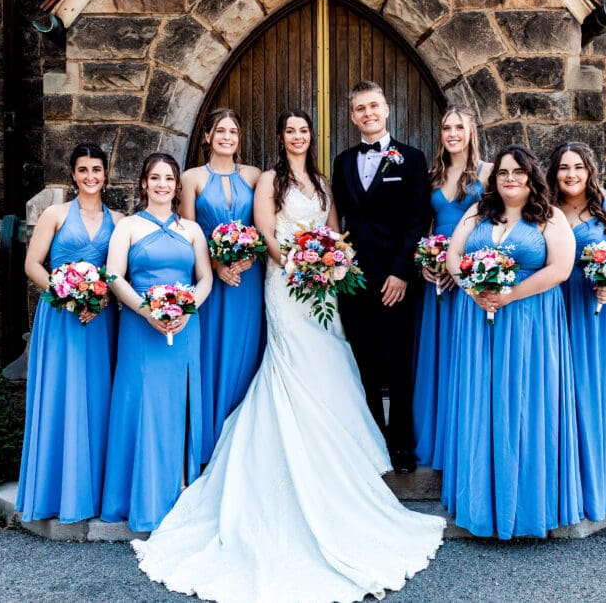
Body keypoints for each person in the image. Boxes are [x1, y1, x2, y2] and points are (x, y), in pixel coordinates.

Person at [131, 109, 444, 603]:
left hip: (321, 286)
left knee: (330, 357)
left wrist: (329, 263)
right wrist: (296, 264)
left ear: (311, 137)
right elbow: (264, 232)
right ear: (281, 137)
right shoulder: (269, 180)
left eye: (304, 130)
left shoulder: (324, 179)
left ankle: (343, 455)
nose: (297, 136)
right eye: (290, 130)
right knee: (292, 361)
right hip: (284, 283)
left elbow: (337, 231)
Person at [443, 145, 582, 538]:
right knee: (481, 401)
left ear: (530, 176)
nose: (510, 179)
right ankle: (480, 502)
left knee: (524, 403)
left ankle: (527, 505)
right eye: (503, 172)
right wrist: (473, 288)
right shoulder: (478, 212)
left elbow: (560, 269)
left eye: (518, 172)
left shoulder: (549, 217)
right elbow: (454, 254)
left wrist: (510, 295)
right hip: (477, 319)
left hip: (529, 323)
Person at [100, 153, 213, 533]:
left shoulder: (192, 231)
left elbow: (205, 279)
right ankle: (140, 499)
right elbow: (114, 275)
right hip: (139, 325)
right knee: (141, 404)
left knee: (178, 405)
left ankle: (179, 493)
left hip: (184, 328)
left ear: (177, 185)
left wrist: (186, 310)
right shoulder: (128, 226)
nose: (163, 184)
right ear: (144, 184)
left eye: (169, 178)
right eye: (155, 178)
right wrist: (146, 310)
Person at [16, 143, 122, 523]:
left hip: (99, 320)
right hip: (61, 317)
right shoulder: (55, 214)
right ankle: (56, 492)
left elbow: (119, 271)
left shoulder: (120, 219)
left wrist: (103, 297)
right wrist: (67, 295)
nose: (90, 177)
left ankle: (93, 491)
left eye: (97, 170)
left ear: (106, 174)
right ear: (73, 174)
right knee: (62, 395)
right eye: (83, 170)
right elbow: (32, 265)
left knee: (97, 396)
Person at [331, 80, 431, 474]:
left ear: (386, 109)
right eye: (360, 108)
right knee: (365, 365)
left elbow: (418, 219)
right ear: (352, 115)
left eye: (374, 106)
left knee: (397, 364)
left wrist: (401, 273)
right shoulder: (342, 162)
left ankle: (402, 448)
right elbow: (341, 220)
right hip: (353, 281)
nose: (368, 113)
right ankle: (372, 442)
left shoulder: (411, 158)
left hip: (396, 282)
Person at [547, 141, 606, 522]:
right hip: (554, 307)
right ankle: (560, 483)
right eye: (563, 168)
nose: (570, 174)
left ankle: (598, 486)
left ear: (589, 170)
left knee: (591, 391)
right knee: (556, 392)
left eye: (578, 167)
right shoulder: (548, 207)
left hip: (594, 309)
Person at [180, 108, 265, 463]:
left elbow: (263, 225)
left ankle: (241, 446)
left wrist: (251, 256)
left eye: (233, 131)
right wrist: (215, 264)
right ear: (207, 136)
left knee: (245, 354)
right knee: (211, 353)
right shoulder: (191, 178)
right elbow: (187, 230)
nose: (227, 137)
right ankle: (208, 446)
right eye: (220, 131)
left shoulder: (255, 175)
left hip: (248, 279)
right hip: (211, 281)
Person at [411, 105, 491, 469]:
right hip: (437, 281)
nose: (452, 133)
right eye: (446, 127)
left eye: (459, 127)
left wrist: (466, 266)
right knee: (437, 357)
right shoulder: (432, 176)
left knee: (466, 357)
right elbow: (425, 227)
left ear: (471, 132)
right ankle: (437, 440)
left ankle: (465, 443)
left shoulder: (488, 174)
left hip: (471, 275)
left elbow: (496, 225)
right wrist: (427, 262)